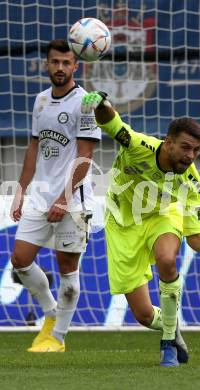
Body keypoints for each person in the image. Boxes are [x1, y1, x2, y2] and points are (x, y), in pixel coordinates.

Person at [81, 91, 200, 366]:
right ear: (168, 143)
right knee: (143, 315)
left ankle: (167, 343)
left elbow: (193, 234)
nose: (191, 156)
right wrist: (102, 103)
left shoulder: (192, 183)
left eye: (196, 150)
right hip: (122, 224)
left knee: (167, 260)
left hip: (162, 217)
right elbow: (112, 124)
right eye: (186, 147)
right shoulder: (138, 146)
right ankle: (171, 327)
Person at [10, 39, 101, 352]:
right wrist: (20, 190)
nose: (60, 68)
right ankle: (50, 313)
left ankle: (58, 338)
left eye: (66, 63)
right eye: (55, 62)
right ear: (47, 65)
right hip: (39, 195)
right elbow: (34, 146)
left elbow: (85, 157)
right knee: (20, 260)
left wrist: (64, 199)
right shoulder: (40, 100)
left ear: (76, 66)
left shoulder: (86, 102)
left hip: (74, 200)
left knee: (67, 271)